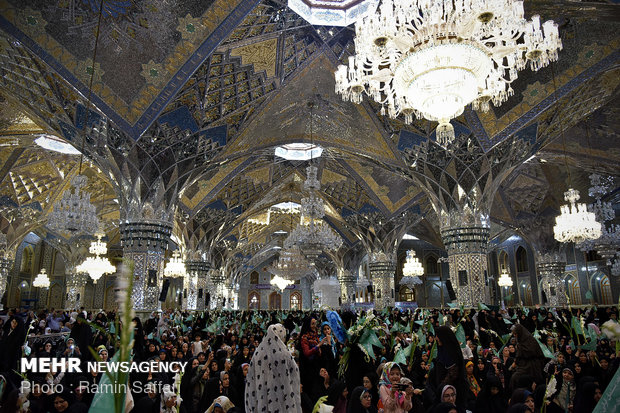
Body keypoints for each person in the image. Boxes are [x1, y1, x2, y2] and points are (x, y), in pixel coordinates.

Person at [245, 323, 302, 413]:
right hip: (282, 398)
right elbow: (294, 374)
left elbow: (251, 378)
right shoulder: (284, 354)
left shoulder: (257, 354)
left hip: (262, 396)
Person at [426, 327, 467, 409]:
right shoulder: (441, 351)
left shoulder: (452, 353)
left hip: (451, 392)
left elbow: (453, 373)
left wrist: (442, 388)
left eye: (437, 336)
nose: (436, 338)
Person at [509, 324, 546, 391]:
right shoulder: (521, 341)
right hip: (524, 364)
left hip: (532, 365)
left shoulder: (530, 340)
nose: (514, 336)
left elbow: (530, 353)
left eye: (515, 334)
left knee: (515, 377)